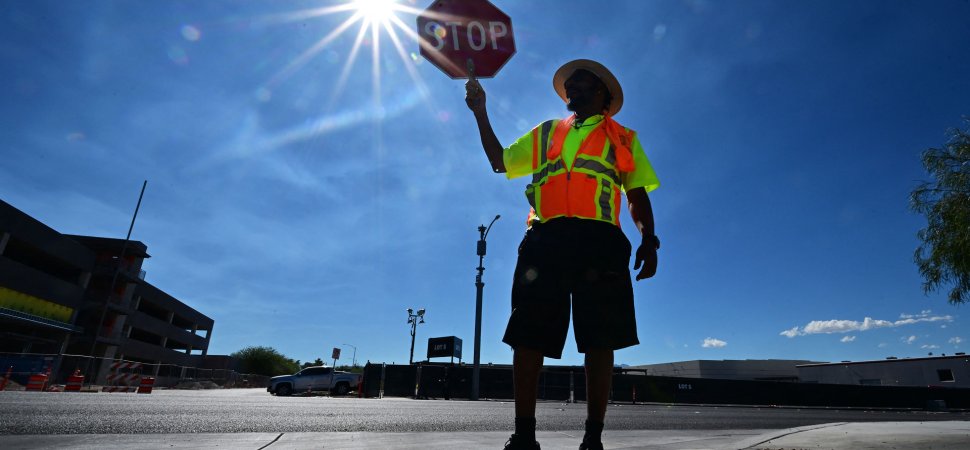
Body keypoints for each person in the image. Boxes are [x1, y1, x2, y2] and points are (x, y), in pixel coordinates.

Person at [465, 59, 660, 450]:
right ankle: (523, 436)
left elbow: (635, 193)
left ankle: (593, 439)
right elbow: (499, 161)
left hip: (601, 241)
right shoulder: (548, 132)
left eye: (582, 82)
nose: (573, 88)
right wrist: (481, 111)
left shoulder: (623, 138)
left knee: (600, 341)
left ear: (604, 93)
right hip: (545, 238)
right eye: (570, 84)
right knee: (528, 337)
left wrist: (649, 239)